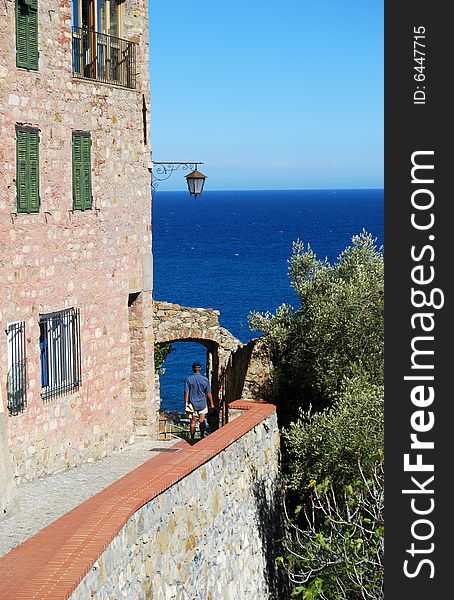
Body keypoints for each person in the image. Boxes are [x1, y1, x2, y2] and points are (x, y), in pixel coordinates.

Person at [184, 361, 215, 440]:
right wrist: (212, 403)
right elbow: (209, 392)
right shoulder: (205, 379)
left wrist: (186, 403)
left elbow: (186, 392)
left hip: (192, 403)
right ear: (200, 369)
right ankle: (202, 436)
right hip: (202, 403)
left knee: (193, 421)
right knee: (202, 420)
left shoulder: (189, 379)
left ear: (193, 369)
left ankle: (192, 438)